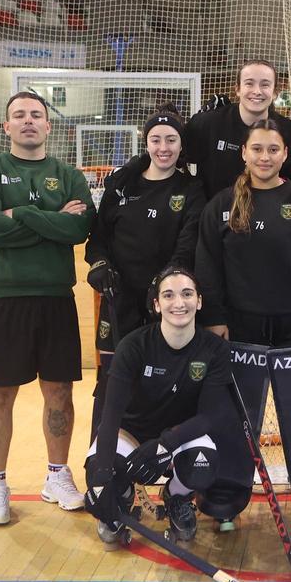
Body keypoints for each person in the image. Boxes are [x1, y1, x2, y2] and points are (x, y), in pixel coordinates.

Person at [195, 118, 291, 528]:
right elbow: (207, 267)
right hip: (239, 329)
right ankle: (226, 490)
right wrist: (213, 318)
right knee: (232, 412)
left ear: (285, 155)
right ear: (244, 153)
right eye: (257, 149)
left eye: (273, 150)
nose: (265, 157)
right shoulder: (223, 204)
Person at [0, 91, 94, 526]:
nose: (27, 121)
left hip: (56, 299)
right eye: (18, 115)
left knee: (59, 393)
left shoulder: (68, 174)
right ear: (6, 127)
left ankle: (57, 476)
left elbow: (79, 228)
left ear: (48, 125)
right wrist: (49, 218)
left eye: (36, 115)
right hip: (4, 301)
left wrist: (17, 214)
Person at [84, 106, 206, 436]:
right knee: (112, 380)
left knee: (168, 379)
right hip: (119, 302)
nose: (163, 147)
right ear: (146, 142)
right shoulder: (121, 186)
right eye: (156, 139)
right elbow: (97, 241)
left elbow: (187, 244)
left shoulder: (191, 190)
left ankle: (166, 464)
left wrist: (165, 283)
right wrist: (100, 267)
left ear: (181, 145)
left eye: (171, 139)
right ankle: (104, 465)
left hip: (167, 304)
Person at [83, 268, 227, 544]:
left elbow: (210, 416)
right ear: (157, 304)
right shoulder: (133, 346)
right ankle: (122, 499)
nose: (179, 303)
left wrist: (165, 444)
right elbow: (110, 414)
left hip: (181, 433)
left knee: (203, 465)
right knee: (99, 469)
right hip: (133, 431)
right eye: (168, 295)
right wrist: (101, 481)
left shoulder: (214, 349)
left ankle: (177, 497)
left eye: (187, 294)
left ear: (199, 301)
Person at [183, 59, 291, 211]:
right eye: (249, 83)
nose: (257, 91)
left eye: (265, 84)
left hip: (267, 221)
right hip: (215, 222)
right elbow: (175, 158)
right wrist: (169, 124)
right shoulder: (207, 123)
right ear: (237, 89)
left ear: (274, 92)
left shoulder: (288, 131)